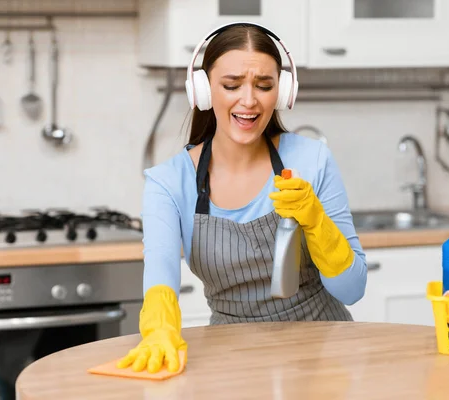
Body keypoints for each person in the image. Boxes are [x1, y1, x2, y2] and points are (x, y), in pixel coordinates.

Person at [117, 22, 367, 375]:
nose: (248, 101)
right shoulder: (169, 183)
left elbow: (352, 289)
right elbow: (161, 272)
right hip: (229, 359)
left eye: (264, 86)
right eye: (231, 85)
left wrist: (316, 221)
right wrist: (158, 330)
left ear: (282, 92)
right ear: (203, 91)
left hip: (325, 353)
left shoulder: (312, 160)